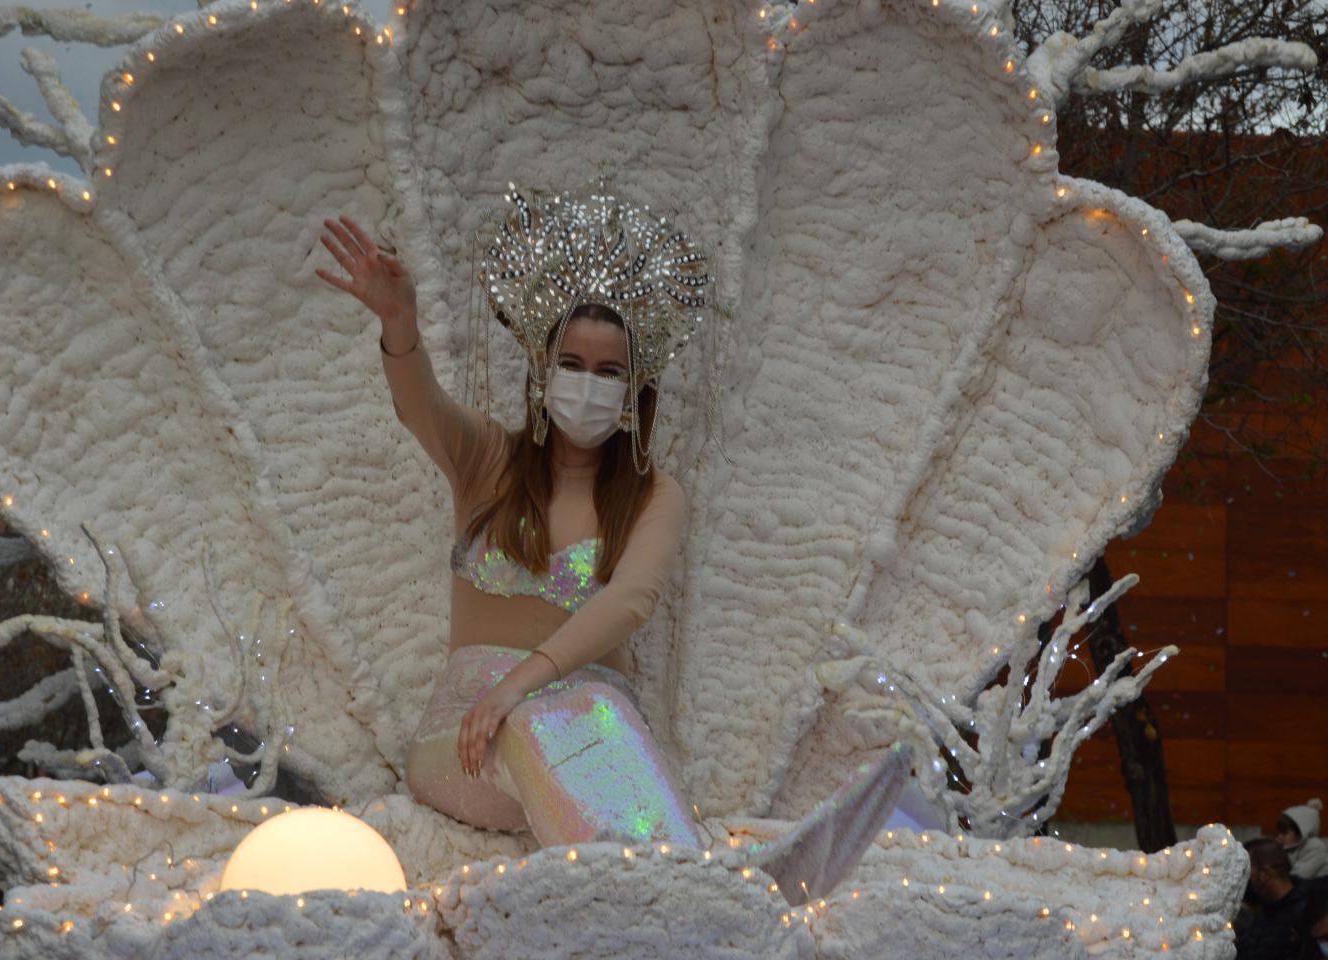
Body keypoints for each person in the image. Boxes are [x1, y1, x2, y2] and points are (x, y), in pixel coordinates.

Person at [318, 186, 909, 908]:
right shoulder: (487, 461)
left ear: (635, 389)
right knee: (540, 720)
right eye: (572, 364)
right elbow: (419, 407)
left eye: (609, 372)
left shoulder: (654, 495)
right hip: (469, 737)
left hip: (594, 724)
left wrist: (526, 681)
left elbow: (633, 599)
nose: (587, 385)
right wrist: (400, 325)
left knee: (588, 707)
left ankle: (690, 891)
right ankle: (709, 892)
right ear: (542, 370)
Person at [1237, 839, 1308, 960]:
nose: (1247, 880)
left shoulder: (1306, 913)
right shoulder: (1265, 912)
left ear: (1264, 875)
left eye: (1249, 873)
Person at [1277, 798, 1328, 879]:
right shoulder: (1290, 847)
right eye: (1279, 832)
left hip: (1322, 890)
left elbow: (1299, 876)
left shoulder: (1315, 847)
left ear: (1301, 832)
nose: (1280, 836)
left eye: (1285, 833)